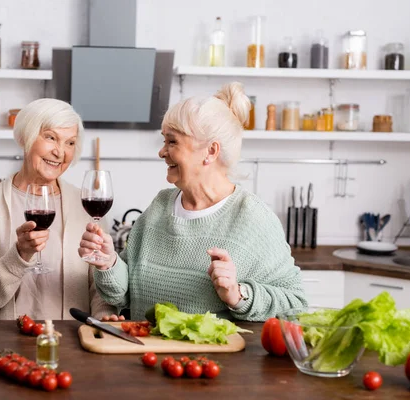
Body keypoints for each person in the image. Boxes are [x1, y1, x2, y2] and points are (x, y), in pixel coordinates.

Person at [78, 82, 308, 322]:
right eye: (163, 141)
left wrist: (238, 294)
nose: (161, 152)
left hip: (211, 360)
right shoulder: (160, 206)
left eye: (172, 142)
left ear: (210, 151)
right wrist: (109, 263)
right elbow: (123, 294)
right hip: (144, 355)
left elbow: (295, 304)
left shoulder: (252, 218)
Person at [0, 98, 118, 320]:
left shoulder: (85, 205)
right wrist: (19, 256)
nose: (60, 152)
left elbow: (98, 288)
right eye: (50, 137)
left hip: (74, 344)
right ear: (25, 137)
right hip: (8, 346)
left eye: (70, 143)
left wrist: (104, 318)